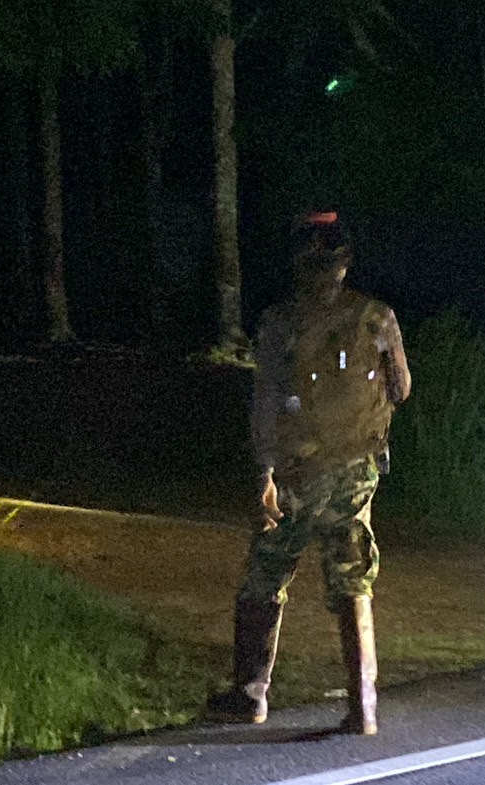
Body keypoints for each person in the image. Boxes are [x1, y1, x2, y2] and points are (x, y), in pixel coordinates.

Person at [206, 212, 412, 735]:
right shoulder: (377, 317)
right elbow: (402, 388)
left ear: (299, 264)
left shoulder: (279, 323)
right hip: (356, 471)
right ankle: (363, 707)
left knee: (266, 575)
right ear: (345, 263)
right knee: (353, 579)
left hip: (298, 473)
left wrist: (265, 474)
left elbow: (267, 404)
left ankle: (250, 695)